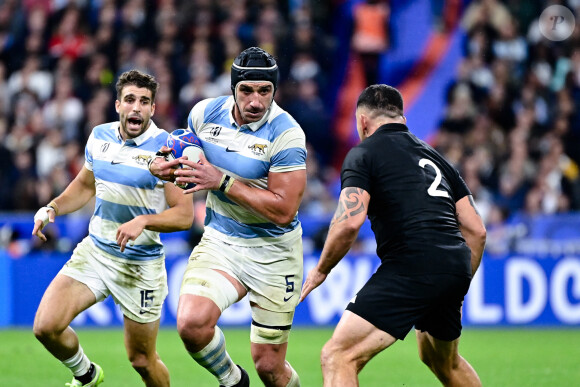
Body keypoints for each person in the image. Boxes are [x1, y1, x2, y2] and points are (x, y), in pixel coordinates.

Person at [300, 84, 487, 386]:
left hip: (411, 265)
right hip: (453, 265)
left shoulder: (363, 154)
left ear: (362, 121)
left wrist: (321, 269)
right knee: (443, 361)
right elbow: (476, 231)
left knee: (338, 356)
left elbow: (349, 223)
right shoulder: (436, 158)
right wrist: (459, 282)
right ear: (401, 117)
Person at [149, 47, 306, 387]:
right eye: (247, 90)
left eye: (264, 91)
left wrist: (221, 181)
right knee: (191, 323)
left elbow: (284, 210)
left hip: (274, 252)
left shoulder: (287, 135)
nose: (255, 101)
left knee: (269, 367)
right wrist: (161, 167)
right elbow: (181, 155)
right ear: (233, 88)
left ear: (274, 91)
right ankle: (233, 381)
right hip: (222, 240)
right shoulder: (204, 113)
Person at [32, 69, 194, 387]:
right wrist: (51, 208)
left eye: (144, 101)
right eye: (130, 100)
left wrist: (144, 220)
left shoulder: (168, 149)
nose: (137, 108)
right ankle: (87, 374)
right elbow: (83, 186)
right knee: (45, 327)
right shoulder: (99, 136)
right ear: (118, 105)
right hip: (96, 252)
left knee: (142, 361)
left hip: (140, 265)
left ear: (153, 108)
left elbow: (184, 216)